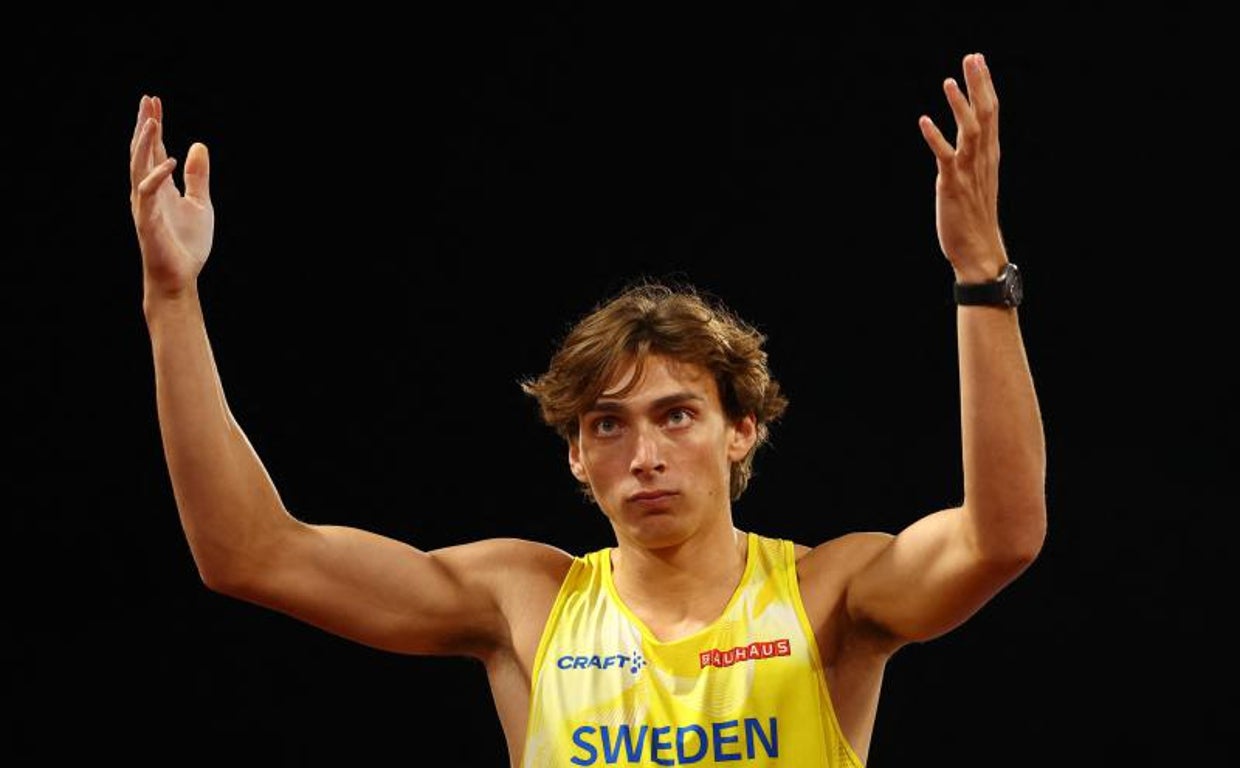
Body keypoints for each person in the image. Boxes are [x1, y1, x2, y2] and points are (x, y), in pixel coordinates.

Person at [129, 51, 1045, 767]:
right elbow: (249, 553)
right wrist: (172, 301)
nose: (643, 454)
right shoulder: (525, 603)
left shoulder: (826, 596)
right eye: (608, 424)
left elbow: (1001, 536)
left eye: (676, 415)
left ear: (741, 430)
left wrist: (979, 276)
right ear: (575, 453)